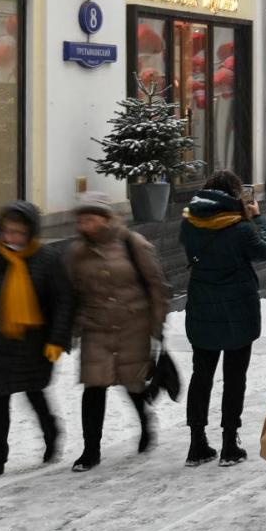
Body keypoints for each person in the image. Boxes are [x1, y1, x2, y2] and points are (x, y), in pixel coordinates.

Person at [0, 201, 73, 481]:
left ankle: (51, 432)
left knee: (35, 394)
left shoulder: (47, 259)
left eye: (19, 232)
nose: (12, 238)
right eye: (7, 231)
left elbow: (63, 302)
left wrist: (57, 340)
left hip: (33, 345)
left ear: (31, 232)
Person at [66, 191, 170, 472]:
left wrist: (156, 328)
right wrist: (72, 326)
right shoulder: (77, 252)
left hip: (132, 326)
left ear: (105, 218)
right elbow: (71, 292)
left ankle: (146, 423)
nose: (85, 225)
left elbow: (156, 286)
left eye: (90, 219)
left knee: (132, 383)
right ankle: (91, 449)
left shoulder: (132, 243)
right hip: (95, 328)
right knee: (94, 386)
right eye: (82, 220)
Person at [180, 170, 266, 467]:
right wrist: (256, 218)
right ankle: (230, 444)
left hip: (202, 308)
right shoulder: (242, 228)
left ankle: (197, 443)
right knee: (235, 377)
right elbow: (265, 251)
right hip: (237, 312)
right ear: (235, 195)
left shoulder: (189, 223)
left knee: (201, 375)